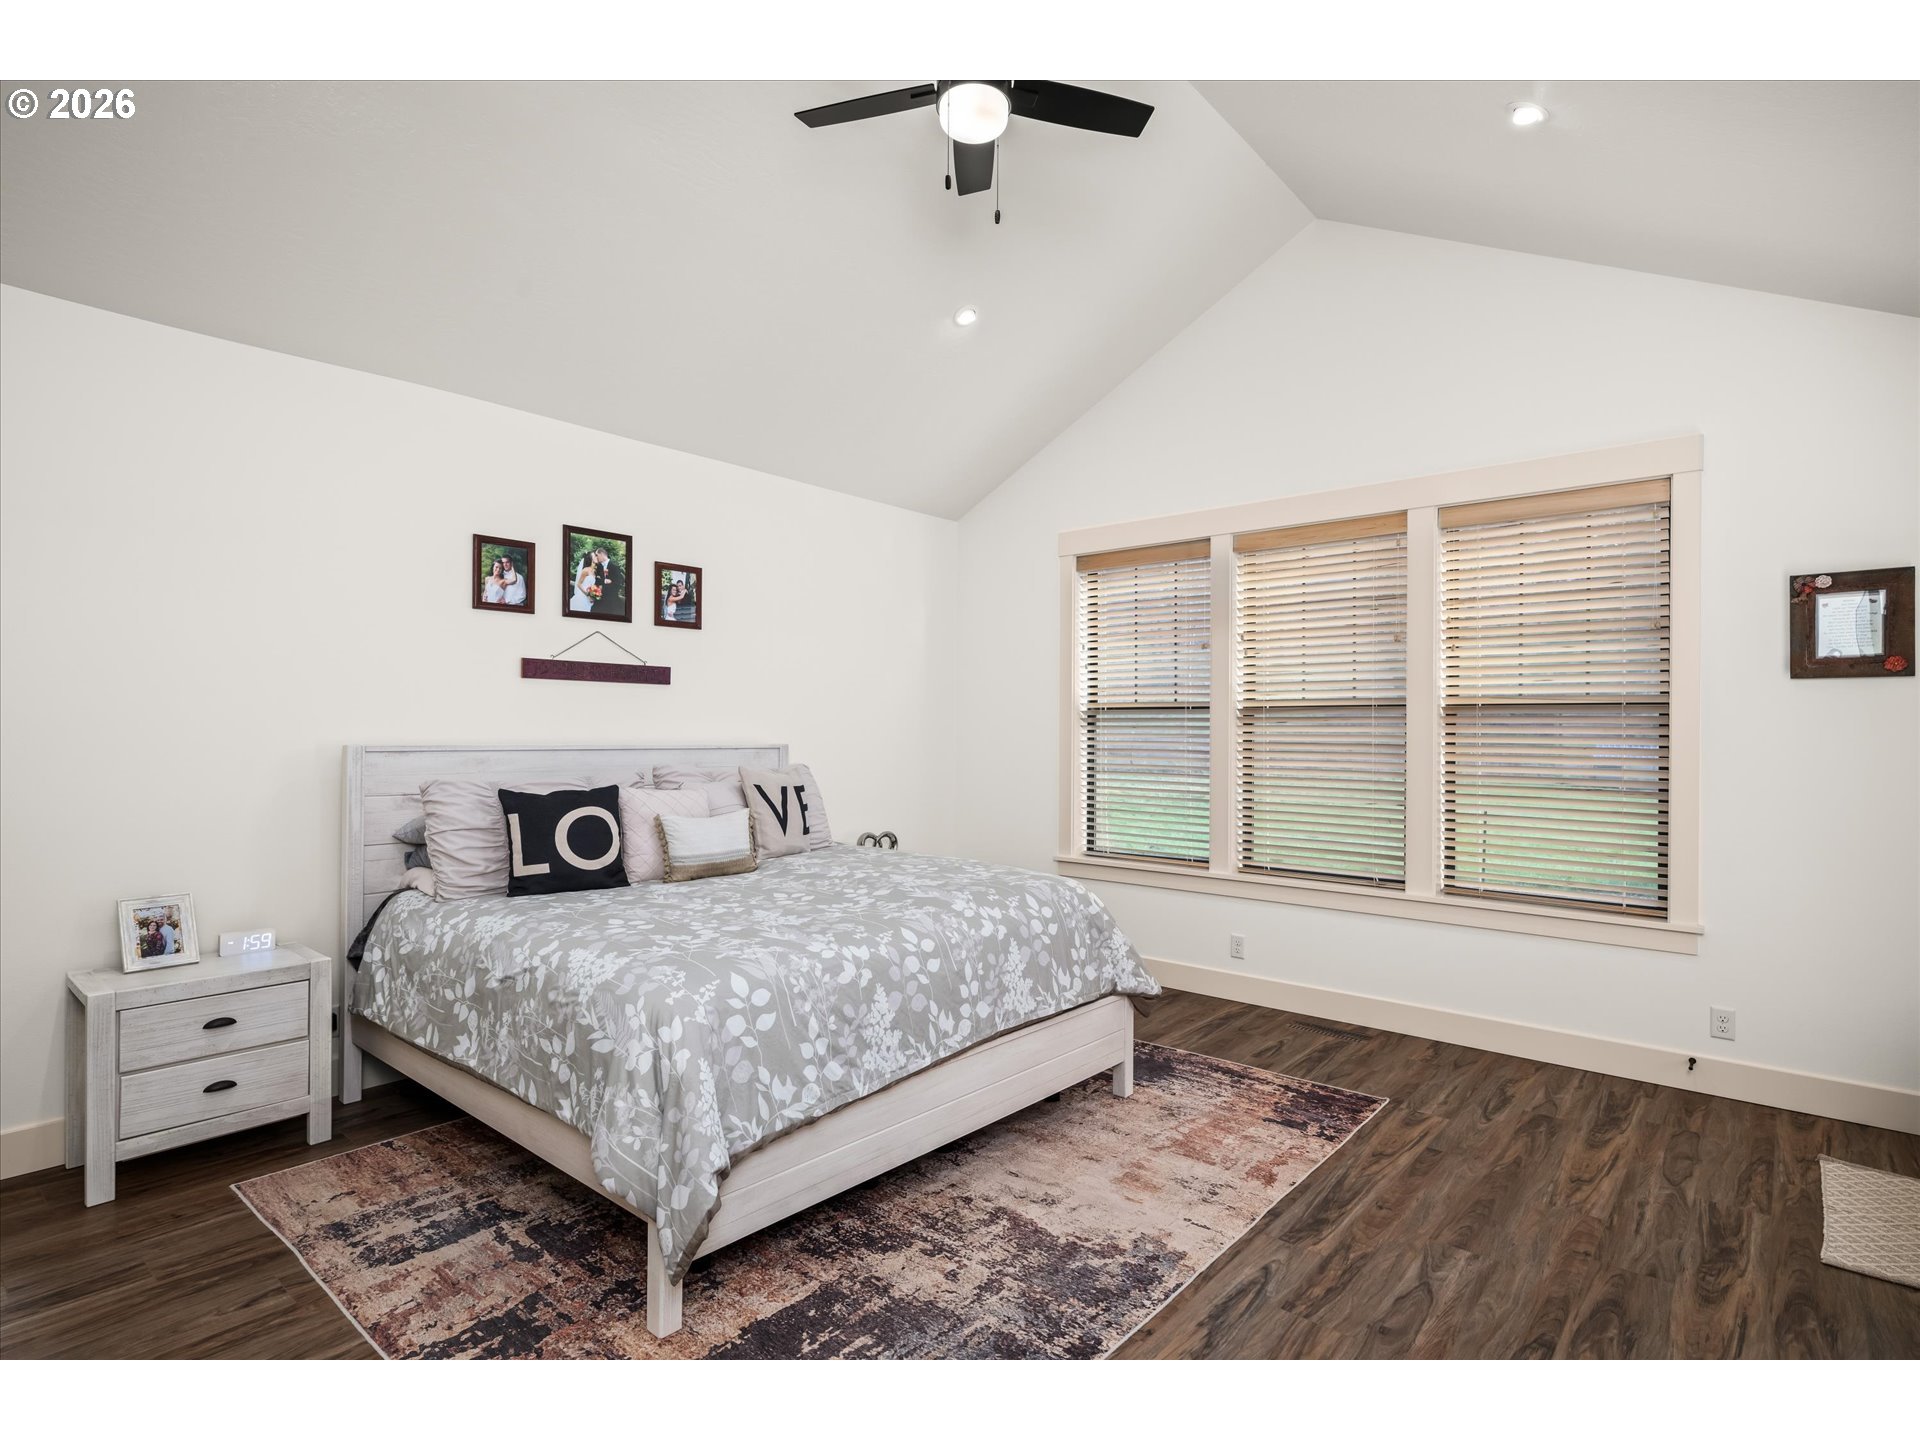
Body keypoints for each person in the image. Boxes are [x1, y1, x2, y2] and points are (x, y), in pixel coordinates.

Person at [593, 547, 626, 617]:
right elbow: (595, 580)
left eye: (597, 555)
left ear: (601, 554)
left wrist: (607, 592)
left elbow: (618, 583)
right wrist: (604, 581)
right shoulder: (598, 567)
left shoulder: (615, 567)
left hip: (611, 600)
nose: (596, 557)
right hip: (598, 599)